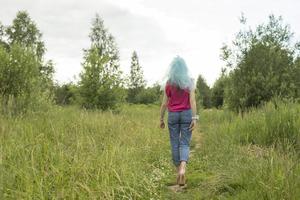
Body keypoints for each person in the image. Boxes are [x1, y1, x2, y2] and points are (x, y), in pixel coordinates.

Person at [160, 56, 198, 186]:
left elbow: (164, 104)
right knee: (185, 143)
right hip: (187, 114)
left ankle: (178, 172)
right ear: (184, 68)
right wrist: (194, 118)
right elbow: (192, 101)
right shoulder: (190, 81)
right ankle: (183, 168)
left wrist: (161, 119)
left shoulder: (169, 83)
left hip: (173, 115)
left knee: (175, 143)